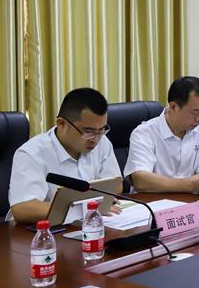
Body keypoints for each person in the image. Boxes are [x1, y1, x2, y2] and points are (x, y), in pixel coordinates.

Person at [7, 88, 122, 224]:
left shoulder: (102, 142)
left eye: (102, 130)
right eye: (88, 131)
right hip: (39, 231)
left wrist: (93, 206)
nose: (95, 139)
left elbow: (115, 185)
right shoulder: (31, 153)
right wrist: (86, 209)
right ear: (61, 124)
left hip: (86, 225)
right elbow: (23, 209)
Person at [125, 76, 199, 195]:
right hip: (153, 201)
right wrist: (191, 185)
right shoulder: (144, 133)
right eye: (195, 112)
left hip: (190, 200)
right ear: (173, 107)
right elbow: (140, 180)